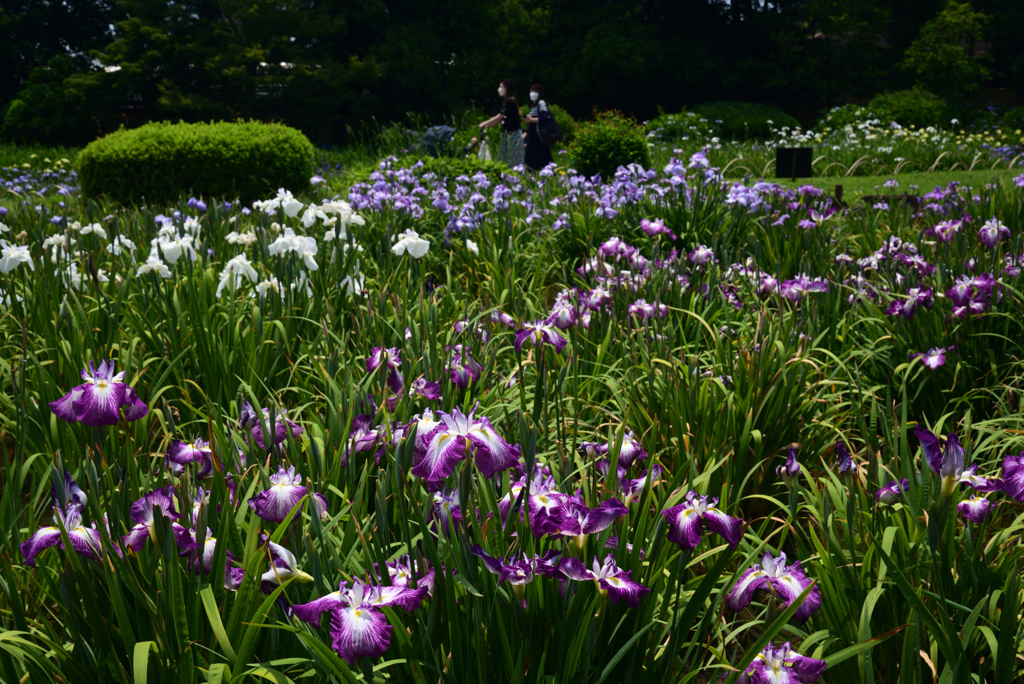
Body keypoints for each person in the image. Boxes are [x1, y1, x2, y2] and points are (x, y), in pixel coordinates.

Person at [479, 79, 524, 168]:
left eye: (501, 87)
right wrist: (486, 126)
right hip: (508, 136)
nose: (498, 89)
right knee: (505, 160)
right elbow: (498, 120)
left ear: (507, 88)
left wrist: (485, 123)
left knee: (512, 162)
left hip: (513, 136)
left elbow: (500, 117)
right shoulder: (507, 101)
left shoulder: (510, 101)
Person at [523, 84, 553, 172]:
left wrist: (530, 119)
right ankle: (531, 182)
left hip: (539, 137)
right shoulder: (534, 106)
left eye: (535, 91)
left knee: (542, 162)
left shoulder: (541, 103)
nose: (532, 93)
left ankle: (550, 180)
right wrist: (523, 136)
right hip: (533, 137)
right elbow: (531, 125)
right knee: (532, 162)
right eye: (531, 91)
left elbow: (544, 118)